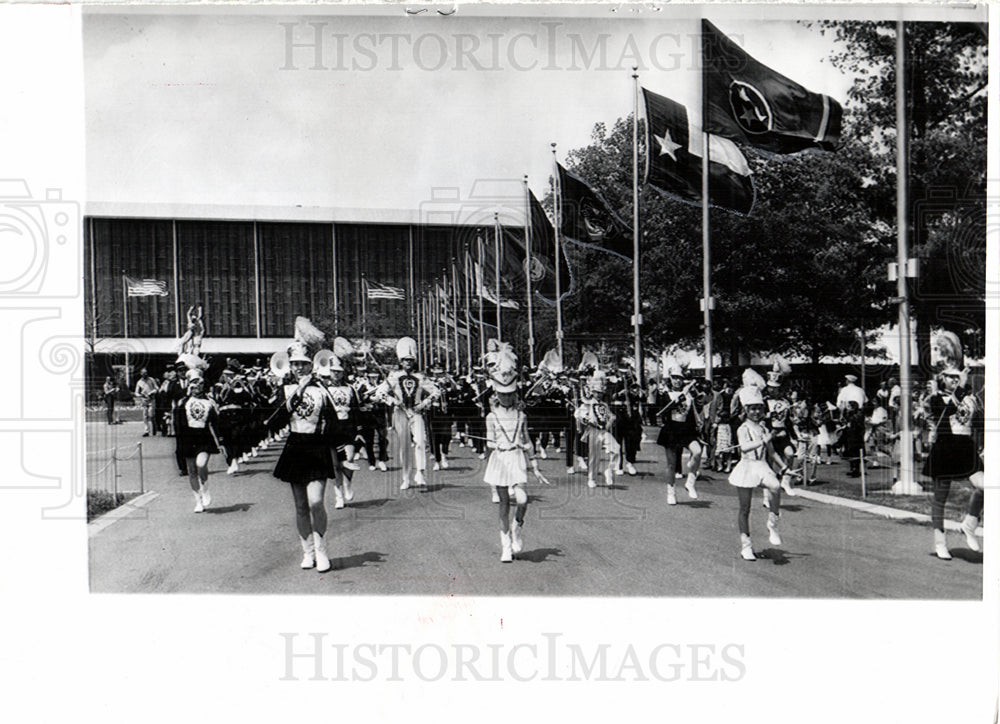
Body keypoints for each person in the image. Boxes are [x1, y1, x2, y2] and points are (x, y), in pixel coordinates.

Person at [269, 341, 338, 573]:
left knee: (315, 501)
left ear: (311, 366)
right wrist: (298, 390)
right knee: (300, 506)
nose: (299, 368)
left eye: (303, 364)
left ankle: (322, 550)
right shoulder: (286, 390)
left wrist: (342, 452)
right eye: (295, 364)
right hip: (295, 447)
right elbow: (276, 419)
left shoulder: (322, 390)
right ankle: (307, 552)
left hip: (317, 447)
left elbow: (334, 422)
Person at [482, 342, 549, 562]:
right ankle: (505, 546)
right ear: (496, 392)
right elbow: (490, 443)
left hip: (517, 459)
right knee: (503, 504)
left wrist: (536, 467)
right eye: (502, 393)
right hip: (500, 460)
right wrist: (494, 445)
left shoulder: (522, 416)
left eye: (510, 394)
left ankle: (517, 529)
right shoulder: (490, 417)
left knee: (522, 500)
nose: (506, 398)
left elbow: (528, 441)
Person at [923, 337, 984, 560]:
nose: (953, 380)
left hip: (967, 449)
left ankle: (969, 524)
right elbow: (944, 415)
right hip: (946, 449)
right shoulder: (934, 398)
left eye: (956, 377)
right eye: (949, 377)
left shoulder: (969, 397)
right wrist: (961, 388)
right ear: (941, 378)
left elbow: (979, 423)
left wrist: (984, 445)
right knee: (941, 497)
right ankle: (940, 542)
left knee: (986, 487)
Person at [728, 386, 792, 561]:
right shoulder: (743, 428)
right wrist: (762, 441)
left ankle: (773, 524)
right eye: (753, 408)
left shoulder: (764, 429)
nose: (756, 412)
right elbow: (744, 447)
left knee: (776, 486)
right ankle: (746, 545)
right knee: (745, 508)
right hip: (747, 466)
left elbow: (771, 452)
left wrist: (784, 467)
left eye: (759, 408)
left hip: (762, 466)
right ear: (746, 410)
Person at [375, 337, 440, 490]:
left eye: (411, 360)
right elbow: (380, 393)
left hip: (416, 412)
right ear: (401, 361)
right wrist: (393, 401)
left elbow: (436, 391)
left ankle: (420, 473)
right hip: (400, 413)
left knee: (421, 440)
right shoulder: (393, 376)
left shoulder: (421, 377)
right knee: (404, 446)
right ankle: (406, 478)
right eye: (405, 360)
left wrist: (424, 403)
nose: (408, 363)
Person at [173, 368, 220, 513]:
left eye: (199, 383)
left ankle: (205, 488)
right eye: (193, 383)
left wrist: (222, 441)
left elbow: (216, 422)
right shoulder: (184, 402)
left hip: (203, 437)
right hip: (188, 437)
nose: (196, 387)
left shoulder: (209, 401)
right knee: (192, 470)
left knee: (201, 464)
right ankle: (198, 501)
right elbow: (177, 420)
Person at [655, 363, 702, 504]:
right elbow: (664, 411)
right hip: (671, 430)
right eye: (674, 378)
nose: (677, 381)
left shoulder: (689, 395)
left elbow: (696, 410)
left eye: (679, 378)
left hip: (686, 430)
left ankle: (690, 482)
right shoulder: (665, 395)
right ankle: (671, 492)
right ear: (671, 379)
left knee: (698, 451)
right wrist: (679, 398)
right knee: (672, 464)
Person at [575, 369, 620, 488]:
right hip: (593, 431)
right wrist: (585, 419)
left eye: (601, 392)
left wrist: (611, 420)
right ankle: (592, 478)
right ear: (593, 392)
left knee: (616, 448)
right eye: (597, 392)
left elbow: (610, 416)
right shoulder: (588, 403)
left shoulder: (604, 405)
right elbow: (578, 414)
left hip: (603, 431)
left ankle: (609, 470)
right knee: (594, 456)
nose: (599, 394)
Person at [134, 368, 159, 436]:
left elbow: (157, 388)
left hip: (151, 399)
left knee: (151, 414)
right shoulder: (139, 382)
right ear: (141, 374)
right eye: (143, 373)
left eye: (146, 373)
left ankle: (154, 427)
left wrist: (152, 392)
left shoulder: (151, 380)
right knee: (145, 416)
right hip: (144, 400)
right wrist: (141, 395)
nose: (145, 374)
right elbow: (136, 392)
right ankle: (146, 430)